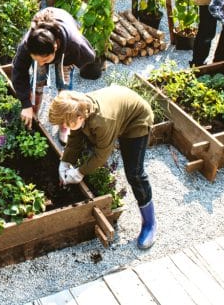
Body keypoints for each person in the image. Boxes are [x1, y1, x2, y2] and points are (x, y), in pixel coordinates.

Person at [48, 86, 157, 249]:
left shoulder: (102, 121)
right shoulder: (79, 110)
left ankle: (150, 224)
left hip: (137, 120)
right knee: (87, 139)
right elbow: (75, 139)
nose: (65, 126)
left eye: (66, 122)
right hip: (118, 112)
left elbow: (101, 154)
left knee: (134, 173)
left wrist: (80, 172)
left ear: (80, 116)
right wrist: (65, 161)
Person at [11, 7, 95, 144]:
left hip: (65, 52)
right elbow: (18, 71)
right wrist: (25, 104)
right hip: (47, 39)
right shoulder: (28, 45)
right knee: (38, 81)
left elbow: (90, 57)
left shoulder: (74, 44)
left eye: (44, 60)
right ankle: (33, 112)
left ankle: (65, 124)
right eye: (36, 59)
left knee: (64, 87)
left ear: (55, 47)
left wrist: (69, 60)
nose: (40, 63)